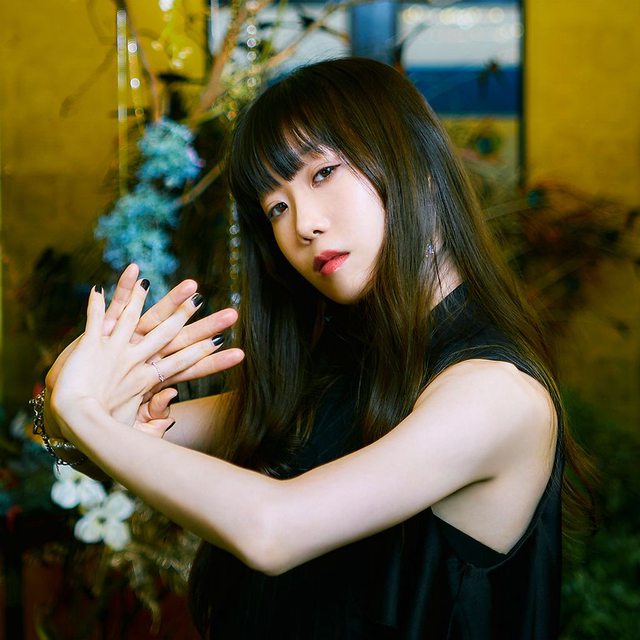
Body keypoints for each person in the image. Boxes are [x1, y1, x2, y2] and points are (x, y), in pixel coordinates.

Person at [42, 57, 592, 639]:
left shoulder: (495, 392)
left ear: (416, 164)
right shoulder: (335, 373)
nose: (302, 224)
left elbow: (272, 531)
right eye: (276, 207)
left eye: (323, 172)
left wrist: (82, 409)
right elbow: (96, 440)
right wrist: (75, 393)